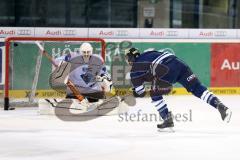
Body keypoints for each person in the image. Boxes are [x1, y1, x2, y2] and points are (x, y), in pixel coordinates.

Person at [125, 48, 232, 130]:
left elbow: (141, 92)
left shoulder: (134, 70)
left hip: (166, 68)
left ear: (130, 58)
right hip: (179, 64)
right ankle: (218, 104)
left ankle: (167, 118)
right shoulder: (147, 53)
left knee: (155, 94)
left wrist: (133, 93)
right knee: (197, 88)